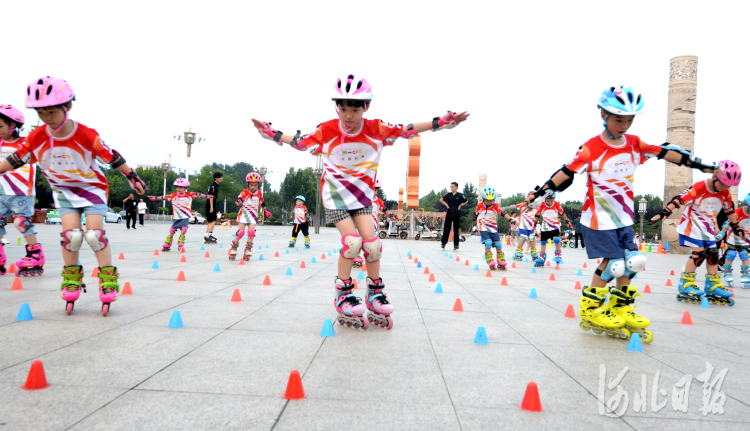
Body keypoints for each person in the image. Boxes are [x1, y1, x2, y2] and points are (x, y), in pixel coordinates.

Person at [252, 73, 469, 330]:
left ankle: (374, 294)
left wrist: (441, 123)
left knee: (373, 245)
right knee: (352, 242)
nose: (348, 116)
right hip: (334, 196)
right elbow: (299, 143)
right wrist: (272, 133)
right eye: (342, 109)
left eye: (354, 109)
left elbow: (406, 130)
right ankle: (343, 294)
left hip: (362, 197)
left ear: (365, 107)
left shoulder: (375, 129)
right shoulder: (328, 129)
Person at [525, 85, 725, 343]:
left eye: (629, 120)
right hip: (598, 219)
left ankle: (620, 307)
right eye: (619, 119)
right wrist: (540, 193)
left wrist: (703, 165)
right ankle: (591, 309)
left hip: (624, 218)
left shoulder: (633, 144)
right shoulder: (591, 148)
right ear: (603, 115)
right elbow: (566, 173)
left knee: (633, 263)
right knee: (614, 263)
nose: (625, 125)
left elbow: (664, 151)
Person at [0, 77, 146, 316]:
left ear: (67, 107)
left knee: (94, 235)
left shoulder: (85, 134)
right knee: (71, 236)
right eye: (41, 112)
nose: (47, 117)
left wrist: (134, 177)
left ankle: (107, 278)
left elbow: (112, 157)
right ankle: (71, 279)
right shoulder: (37, 138)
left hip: (92, 189)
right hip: (64, 192)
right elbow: (16, 159)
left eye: (51, 111)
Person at [652, 162, 743, 305]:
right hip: (691, 227)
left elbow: (729, 211)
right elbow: (679, 199)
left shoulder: (724, 193)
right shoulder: (700, 187)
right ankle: (686, 284)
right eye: (724, 184)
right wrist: (666, 211)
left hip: (707, 229)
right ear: (714, 176)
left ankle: (712, 285)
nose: (725, 188)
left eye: (728, 186)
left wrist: (737, 228)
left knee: (713, 253)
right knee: (699, 254)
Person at [0, 105, 45, 277]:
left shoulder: (26, 143)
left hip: (21, 192)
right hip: (2, 191)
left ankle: (35, 254)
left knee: (21, 222)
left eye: (0, 127)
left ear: (13, 126)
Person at [148, 178, 209, 252]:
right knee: (172, 230)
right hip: (176, 216)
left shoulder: (189, 195)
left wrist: (207, 196)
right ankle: (168, 243)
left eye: (180, 187)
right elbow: (164, 197)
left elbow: (198, 194)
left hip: (185, 216)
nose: (178, 189)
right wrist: (155, 198)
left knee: (184, 228)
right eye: (177, 187)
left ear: (185, 188)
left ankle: (181, 239)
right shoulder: (173, 195)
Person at [229, 173, 271, 261]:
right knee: (240, 232)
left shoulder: (259, 192)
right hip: (244, 214)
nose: (253, 187)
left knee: (251, 232)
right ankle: (233, 248)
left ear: (258, 185)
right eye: (251, 185)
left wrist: (266, 211)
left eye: (255, 185)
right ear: (248, 184)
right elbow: (240, 198)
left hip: (253, 215)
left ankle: (247, 250)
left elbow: (262, 203)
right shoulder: (245, 192)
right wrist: (238, 202)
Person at [474, 187, 514, 270]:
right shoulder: (480, 205)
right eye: (487, 200)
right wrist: (474, 218)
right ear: (483, 199)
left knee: (498, 244)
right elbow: (476, 213)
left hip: (493, 228)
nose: (489, 202)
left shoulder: (496, 206)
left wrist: (510, 219)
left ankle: (500, 260)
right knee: (488, 243)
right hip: (483, 227)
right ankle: (489, 259)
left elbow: (503, 213)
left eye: (491, 200)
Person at [715, 193, 750, 289]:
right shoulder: (739, 211)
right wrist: (721, 234)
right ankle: (727, 272)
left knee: (744, 255)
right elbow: (728, 223)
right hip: (733, 238)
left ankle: (746, 275)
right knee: (731, 254)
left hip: (745, 240)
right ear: (747, 205)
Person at [534, 193, 572, 266]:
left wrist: (567, 221)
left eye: (551, 201)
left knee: (556, 240)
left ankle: (558, 254)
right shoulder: (542, 205)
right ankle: (542, 256)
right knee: (543, 242)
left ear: (554, 199)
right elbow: (537, 215)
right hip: (545, 226)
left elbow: (563, 213)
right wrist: (535, 223)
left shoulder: (556, 204)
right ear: (545, 200)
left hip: (555, 225)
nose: (549, 202)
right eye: (548, 201)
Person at [438, 182, 468, 252]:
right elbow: (441, 199)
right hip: (449, 214)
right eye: (450, 186)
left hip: (456, 214)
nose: (451, 188)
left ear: (456, 187)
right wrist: (446, 205)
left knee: (456, 230)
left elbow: (466, 201)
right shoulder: (448, 195)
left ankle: (456, 245)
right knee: (446, 229)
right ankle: (443, 243)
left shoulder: (460, 195)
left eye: (453, 186)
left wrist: (461, 205)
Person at [204, 172, 223, 244]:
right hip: (210, 204)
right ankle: (207, 235)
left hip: (211, 204)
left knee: (212, 220)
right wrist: (211, 207)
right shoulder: (213, 186)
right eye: (220, 177)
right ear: (216, 178)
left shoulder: (215, 186)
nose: (221, 178)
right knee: (212, 220)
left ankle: (208, 234)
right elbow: (211, 196)